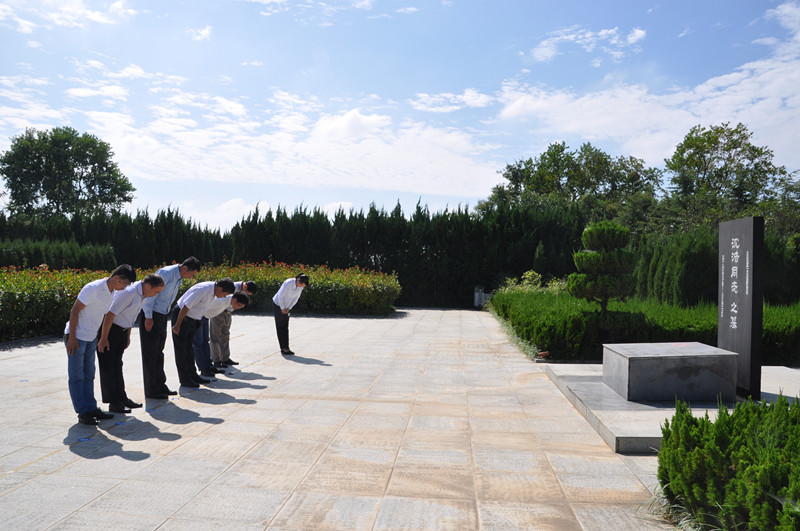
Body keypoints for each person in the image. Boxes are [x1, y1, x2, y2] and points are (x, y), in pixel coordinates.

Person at [64, 264, 136, 426]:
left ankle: (91, 407)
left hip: (90, 338)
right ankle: (83, 412)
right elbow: (75, 311)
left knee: (89, 375)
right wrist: (72, 337)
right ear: (117, 278)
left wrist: (98, 337)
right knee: (77, 377)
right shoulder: (93, 288)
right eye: (125, 284)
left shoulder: (111, 292)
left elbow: (98, 316)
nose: (124, 288)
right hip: (77, 337)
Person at [97, 274, 165, 412]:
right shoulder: (128, 292)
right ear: (148, 286)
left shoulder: (143, 295)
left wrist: (127, 336)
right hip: (110, 331)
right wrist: (103, 338)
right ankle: (113, 402)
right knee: (108, 367)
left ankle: (122, 398)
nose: (155, 295)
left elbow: (131, 317)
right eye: (156, 292)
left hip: (122, 331)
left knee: (117, 365)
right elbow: (109, 314)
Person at [139, 257, 201, 399]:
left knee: (158, 352)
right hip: (151, 314)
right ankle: (152, 389)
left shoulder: (178, 277)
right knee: (150, 353)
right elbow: (150, 296)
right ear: (185, 268)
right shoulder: (166, 273)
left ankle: (160, 385)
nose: (191, 277)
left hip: (161, 314)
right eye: (191, 274)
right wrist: (148, 317)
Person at [171, 278, 235, 387]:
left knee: (189, 349)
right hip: (182, 316)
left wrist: (197, 321)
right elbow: (185, 307)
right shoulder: (203, 289)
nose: (223, 297)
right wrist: (177, 325)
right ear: (220, 288)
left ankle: (193, 375)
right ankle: (185, 379)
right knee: (181, 350)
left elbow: (201, 308)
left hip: (192, 318)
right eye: (224, 294)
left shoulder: (213, 292)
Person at [211, 281, 257, 369]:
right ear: (245, 287)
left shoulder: (240, 291)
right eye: (246, 293)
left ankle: (225, 358)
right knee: (215, 337)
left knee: (225, 335)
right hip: (218, 312)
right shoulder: (233, 287)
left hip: (228, 312)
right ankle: (216, 360)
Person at [272, 273, 309, 356]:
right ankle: (283, 348)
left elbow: (296, 298)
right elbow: (281, 296)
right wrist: (282, 308)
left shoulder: (300, 286)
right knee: (280, 326)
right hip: (278, 304)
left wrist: (289, 308)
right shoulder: (288, 283)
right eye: (302, 284)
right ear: (298, 280)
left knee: (285, 326)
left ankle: (286, 347)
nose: (302, 286)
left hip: (287, 306)